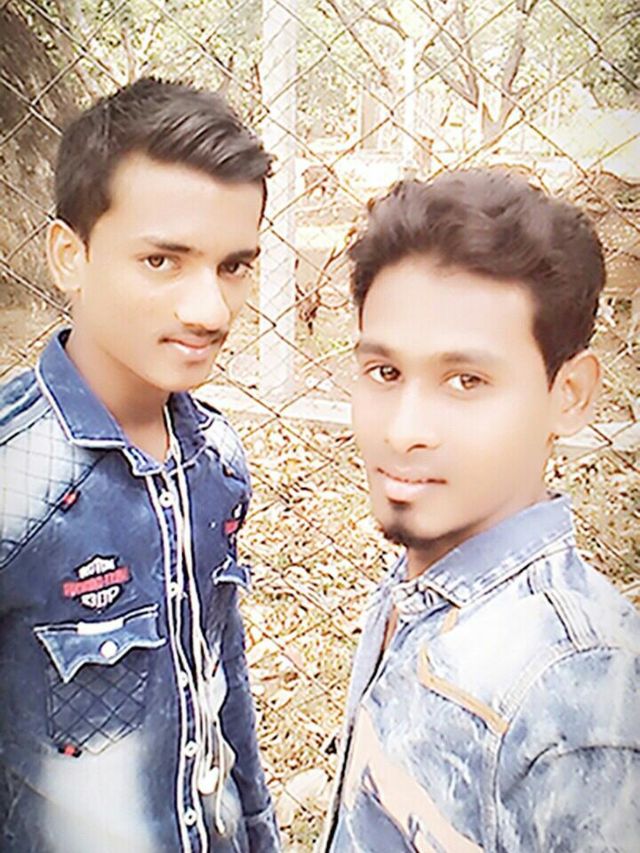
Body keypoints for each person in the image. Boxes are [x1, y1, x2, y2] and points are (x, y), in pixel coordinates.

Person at [0, 78, 280, 852]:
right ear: (70, 255)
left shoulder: (216, 459)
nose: (210, 310)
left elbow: (221, 681)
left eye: (234, 266)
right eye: (163, 260)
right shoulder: (14, 478)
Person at [322, 169, 639, 851]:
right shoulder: (423, 588)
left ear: (570, 395)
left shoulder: (575, 692)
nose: (404, 429)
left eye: (466, 381)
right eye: (384, 373)